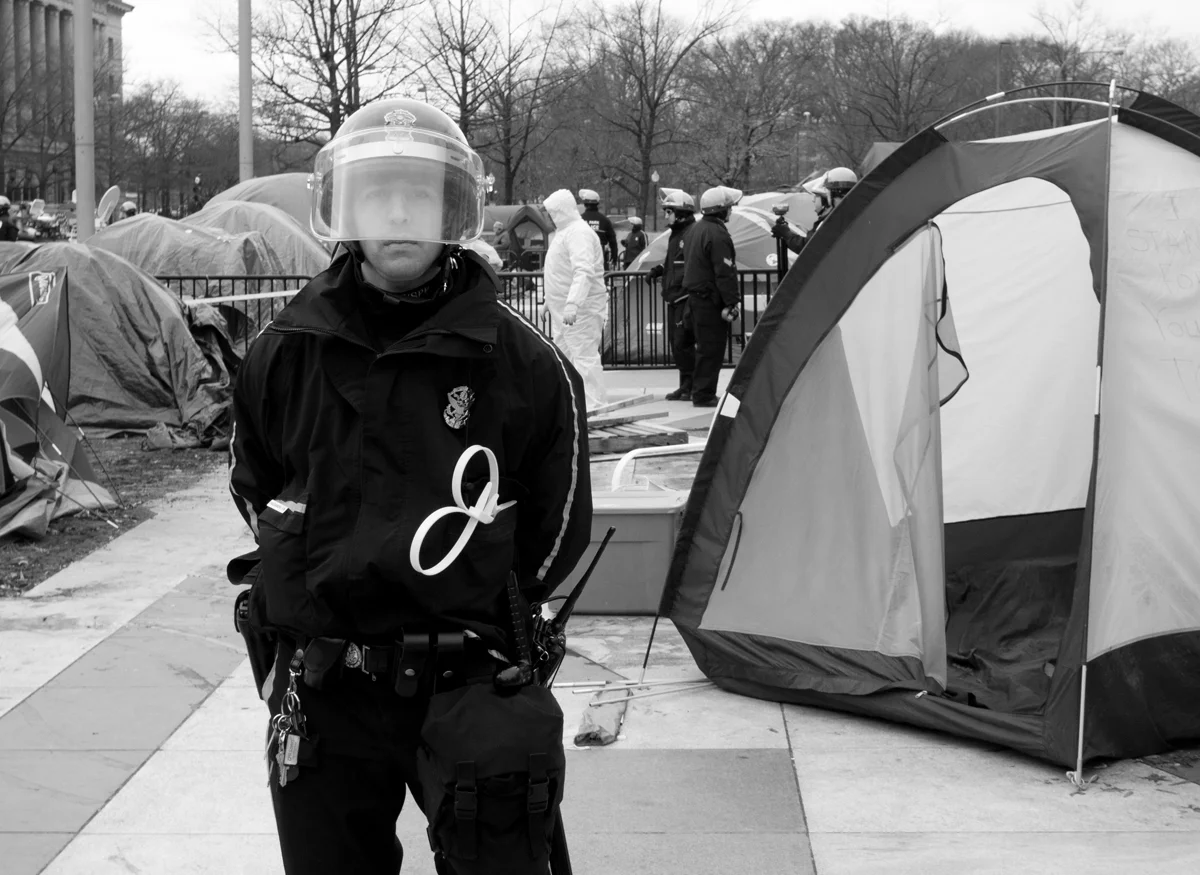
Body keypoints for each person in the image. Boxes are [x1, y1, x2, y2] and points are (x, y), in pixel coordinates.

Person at [228, 97, 593, 875]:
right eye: (377, 192)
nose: (397, 213)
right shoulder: (284, 351)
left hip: (471, 686)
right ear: (344, 203)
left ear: (453, 206)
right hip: (327, 691)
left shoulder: (525, 365)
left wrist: (474, 596)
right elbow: (256, 485)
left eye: (418, 193)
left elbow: (557, 529)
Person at [543, 188, 609, 408]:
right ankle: (572, 405)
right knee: (566, 357)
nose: (548, 217)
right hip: (565, 311)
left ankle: (593, 406)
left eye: (551, 213)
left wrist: (573, 303)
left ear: (559, 212)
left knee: (583, 357)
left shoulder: (578, 233)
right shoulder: (567, 232)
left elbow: (583, 271)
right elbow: (561, 271)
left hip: (581, 311)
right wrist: (549, 300)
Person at [681, 186, 742, 408]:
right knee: (711, 349)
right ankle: (704, 394)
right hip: (709, 301)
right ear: (721, 211)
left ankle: (699, 390)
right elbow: (724, 271)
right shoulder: (717, 234)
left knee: (703, 348)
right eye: (729, 208)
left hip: (695, 299)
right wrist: (731, 301)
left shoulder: (695, 229)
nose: (731, 212)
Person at [646, 190, 697, 400]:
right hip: (673, 296)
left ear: (681, 213)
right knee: (677, 346)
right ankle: (685, 384)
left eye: (669, 212)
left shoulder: (690, 233)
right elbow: (673, 261)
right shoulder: (676, 234)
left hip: (684, 297)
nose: (666, 216)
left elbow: (692, 264)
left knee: (683, 344)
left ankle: (692, 385)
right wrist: (659, 270)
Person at [772, 166, 858, 254]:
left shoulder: (834, 220)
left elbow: (809, 248)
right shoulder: (854, 214)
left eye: (816, 196)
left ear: (829, 196)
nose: (813, 200)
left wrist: (787, 234)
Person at [578, 188, 618, 269]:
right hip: (600, 258)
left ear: (585, 203)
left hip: (582, 258)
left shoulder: (579, 219)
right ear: (597, 203)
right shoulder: (604, 220)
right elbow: (612, 241)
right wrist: (614, 255)